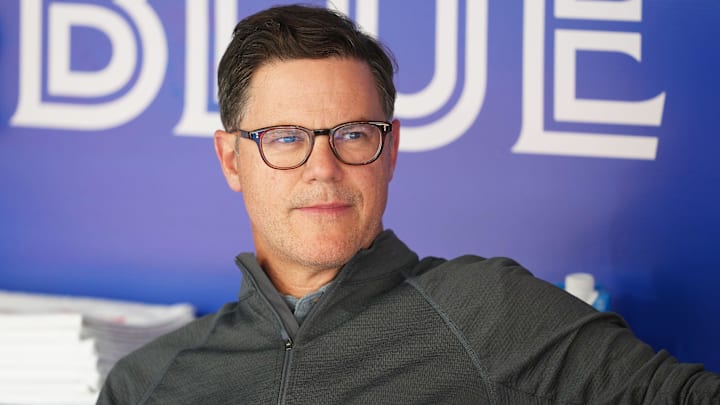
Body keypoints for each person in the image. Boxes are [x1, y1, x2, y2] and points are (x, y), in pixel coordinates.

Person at [98, 4, 720, 404]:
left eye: (353, 135)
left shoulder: (487, 310)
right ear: (233, 159)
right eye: (285, 138)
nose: (323, 167)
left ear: (390, 151)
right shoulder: (148, 384)